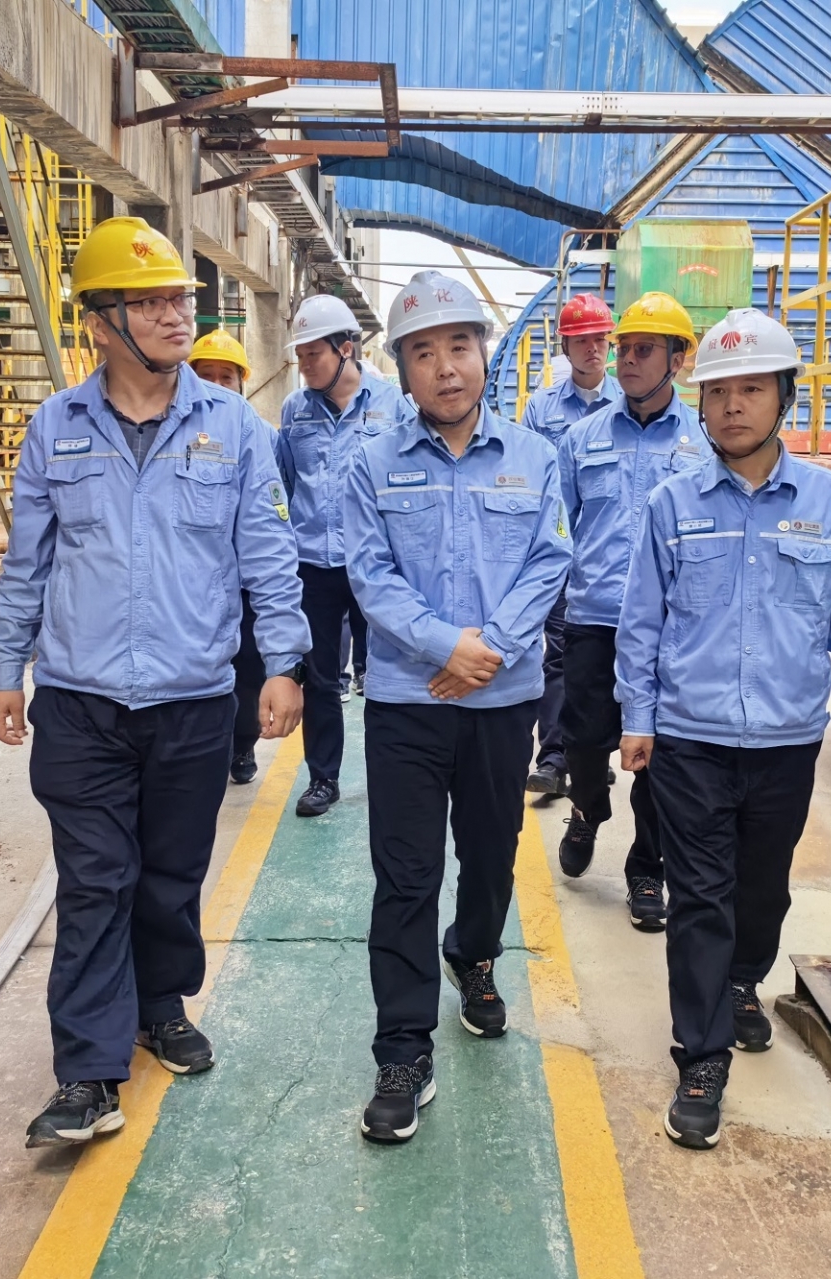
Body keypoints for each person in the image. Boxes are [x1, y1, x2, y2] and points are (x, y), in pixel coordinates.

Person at [0, 219, 311, 1148]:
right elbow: (26, 564)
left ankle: (160, 1002)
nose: (177, 316)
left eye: (181, 300)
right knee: (95, 880)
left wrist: (283, 662)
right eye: (154, 302)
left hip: (193, 697)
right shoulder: (55, 428)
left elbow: (268, 554)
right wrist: (5, 666)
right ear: (102, 322)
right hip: (80, 700)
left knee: (170, 872)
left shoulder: (233, 428)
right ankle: (88, 1072)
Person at [613, 308, 831, 1151]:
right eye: (719, 392)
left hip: (785, 740)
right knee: (700, 896)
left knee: (761, 890)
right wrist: (637, 716)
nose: (733, 406)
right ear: (701, 403)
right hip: (689, 740)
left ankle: (742, 980)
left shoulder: (830, 503)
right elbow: (641, 621)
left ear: (783, 398)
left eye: (752, 390)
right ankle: (701, 1058)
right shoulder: (672, 504)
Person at [345, 271, 571, 1143]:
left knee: (488, 856)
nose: (445, 367)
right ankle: (402, 1050)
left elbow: (550, 560)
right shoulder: (373, 463)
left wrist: (491, 650)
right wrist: (446, 646)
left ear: (485, 354)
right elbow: (370, 573)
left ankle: (473, 956)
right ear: (403, 369)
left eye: (460, 346)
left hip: (502, 701)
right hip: (408, 702)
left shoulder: (535, 457)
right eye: (423, 352)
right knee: (406, 876)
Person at [554, 291, 708, 932]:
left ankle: (648, 868)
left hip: (673, 628)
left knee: (663, 757)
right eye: (624, 348)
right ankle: (588, 809)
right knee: (583, 740)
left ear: (678, 359)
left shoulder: (704, 444)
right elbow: (556, 530)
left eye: (644, 349)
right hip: (594, 616)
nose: (627, 360)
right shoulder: (581, 439)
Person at [276, 294, 409, 818]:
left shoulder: (393, 405)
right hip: (313, 564)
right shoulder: (295, 410)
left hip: (373, 563)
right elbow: (286, 483)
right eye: (300, 355)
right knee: (320, 676)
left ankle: (391, 773)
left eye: (314, 354)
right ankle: (322, 778)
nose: (305, 365)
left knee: (385, 673)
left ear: (346, 349)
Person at [519, 293, 622, 802]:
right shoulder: (542, 410)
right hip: (562, 557)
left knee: (617, 663)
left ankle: (592, 754)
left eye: (600, 339)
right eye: (582, 341)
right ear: (565, 347)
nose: (593, 349)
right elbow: (530, 484)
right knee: (559, 657)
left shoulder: (628, 405)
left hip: (615, 562)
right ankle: (554, 757)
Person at [189, 328, 271, 784]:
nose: (218, 385)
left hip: (247, 588)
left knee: (248, 675)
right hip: (200, 588)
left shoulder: (261, 436)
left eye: (227, 377)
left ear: (241, 383)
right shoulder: (175, 437)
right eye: (207, 376)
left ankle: (242, 746)